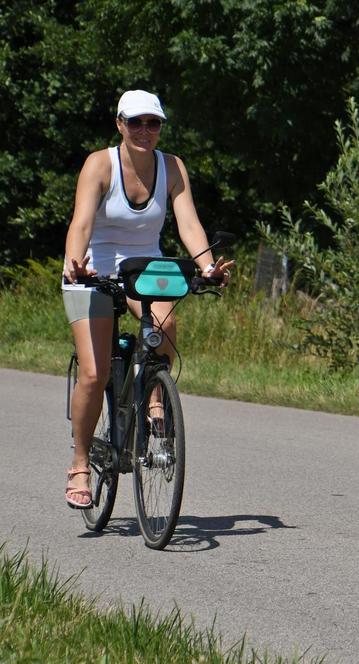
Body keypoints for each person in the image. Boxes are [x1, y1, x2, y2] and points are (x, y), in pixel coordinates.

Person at [62, 89, 234, 509]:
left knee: (166, 326)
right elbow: (81, 221)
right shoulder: (99, 165)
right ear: (119, 124)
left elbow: (188, 222)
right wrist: (74, 262)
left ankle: (153, 397)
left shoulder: (172, 167)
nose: (144, 131)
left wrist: (207, 266)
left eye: (152, 123)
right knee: (93, 372)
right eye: (135, 122)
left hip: (145, 267)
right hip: (94, 269)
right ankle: (80, 463)